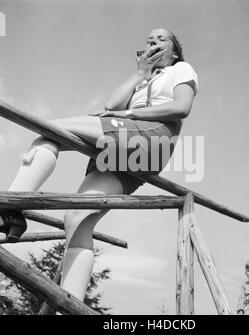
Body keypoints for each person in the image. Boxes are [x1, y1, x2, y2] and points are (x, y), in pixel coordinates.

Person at [0, 28, 198, 303]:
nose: (152, 41)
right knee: (76, 219)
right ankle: (70, 306)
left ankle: (10, 208)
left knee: (50, 130)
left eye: (161, 39)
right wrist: (140, 73)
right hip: (128, 155)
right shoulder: (144, 80)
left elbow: (182, 107)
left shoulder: (181, 69)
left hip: (151, 136)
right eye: (149, 39)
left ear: (175, 52)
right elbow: (111, 104)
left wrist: (129, 113)